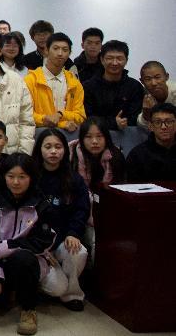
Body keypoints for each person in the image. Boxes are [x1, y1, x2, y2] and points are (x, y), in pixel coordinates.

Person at [0, 153, 58, 336]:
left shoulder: (41, 204)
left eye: (22, 177)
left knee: (23, 258)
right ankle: (10, 291)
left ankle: (28, 309)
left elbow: (42, 241)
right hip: (0, 263)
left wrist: (0, 248)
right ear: (4, 177)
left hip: (31, 262)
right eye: (11, 176)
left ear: (31, 177)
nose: (16, 182)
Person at [32, 129, 90, 311]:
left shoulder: (74, 179)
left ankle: (72, 294)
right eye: (48, 147)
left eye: (58, 147)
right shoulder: (31, 177)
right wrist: (40, 248)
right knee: (57, 287)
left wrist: (73, 233)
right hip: (37, 245)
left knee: (78, 252)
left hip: (63, 239)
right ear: (39, 149)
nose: (53, 151)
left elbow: (82, 210)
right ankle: (41, 285)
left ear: (65, 149)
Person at [69, 117, 126, 264]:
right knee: (96, 239)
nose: (94, 141)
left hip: (109, 211)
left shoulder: (115, 157)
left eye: (99, 136)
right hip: (79, 214)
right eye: (89, 137)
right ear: (82, 139)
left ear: (106, 138)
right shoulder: (71, 157)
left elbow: (120, 193)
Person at [25, 33, 85, 131]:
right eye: (55, 48)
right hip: (38, 134)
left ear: (69, 53)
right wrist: (58, 123)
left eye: (65, 50)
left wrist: (60, 114)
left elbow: (80, 115)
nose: (60, 53)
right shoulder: (31, 80)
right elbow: (25, 114)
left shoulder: (74, 83)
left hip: (67, 136)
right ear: (46, 50)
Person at [82, 40, 144, 132]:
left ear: (126, 60)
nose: (114, 63)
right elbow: (87, 117)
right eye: (110, 58)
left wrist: (123, 123)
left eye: (119, 58)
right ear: (102, 60)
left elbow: (136, 117)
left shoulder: (135, 86)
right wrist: (113, 123)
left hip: (127, 133)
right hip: (96, 133)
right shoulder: (88, 87)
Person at [126, 102, 176, 182]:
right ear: (150, 126)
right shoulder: (137, 155)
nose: (163, 127)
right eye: (158, 122)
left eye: (169, 122)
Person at [137, 61, 176, 128]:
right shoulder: (142, 94)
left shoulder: (174, 91)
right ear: (142, 81)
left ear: (166, 77)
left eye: (157, 77)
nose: (153, 83)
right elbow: (141, 126)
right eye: (148, 79)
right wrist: (146, 113)